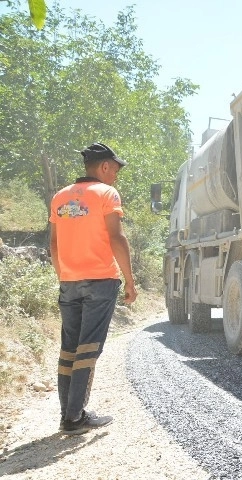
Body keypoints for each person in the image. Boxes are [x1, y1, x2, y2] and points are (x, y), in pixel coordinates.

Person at [49, 142, 138, 435]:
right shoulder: (106, 193)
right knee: (88, 350)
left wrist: (65, 276)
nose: (116, 176)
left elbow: (53, 243)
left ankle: (67, 415)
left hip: (69, 283)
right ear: (104, 166)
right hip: (100, 282)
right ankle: (75, 418)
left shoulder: (59, 197)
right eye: (115, 169)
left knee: (69, 350)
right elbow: (116, 238)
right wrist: (130, 279)